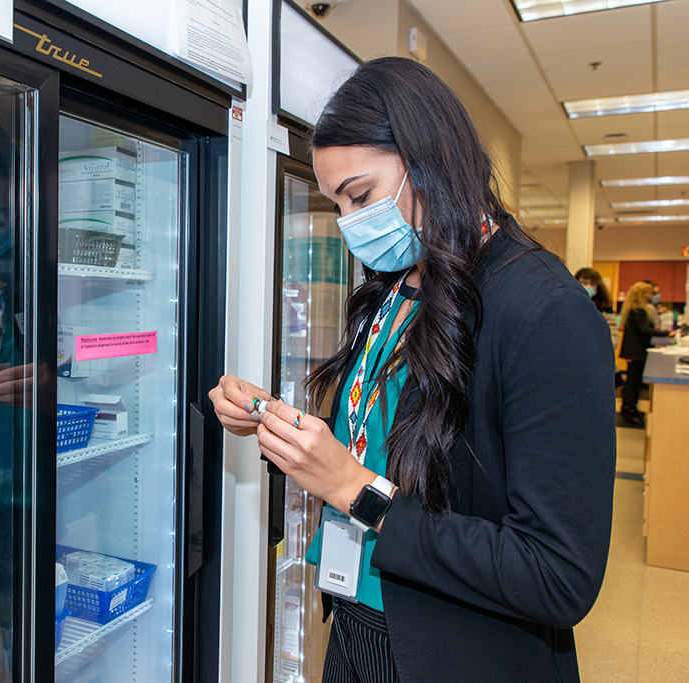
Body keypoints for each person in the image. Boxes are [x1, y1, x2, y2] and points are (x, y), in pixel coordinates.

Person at [209, 57, 615, 683]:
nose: (350, 225)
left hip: (454, 649)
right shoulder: (399, 287)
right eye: (337, 204)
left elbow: (557, 575)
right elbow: (386, 436)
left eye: (361, 196)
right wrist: (281, 429)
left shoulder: (544, 310)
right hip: (359, 621)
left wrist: (356, 493)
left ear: (434, 158)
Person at [619, 280, 675, 425]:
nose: (653, 295)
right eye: (651, 293)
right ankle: (630, 411)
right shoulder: (640, 310)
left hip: (633, 350)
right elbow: (644, 330)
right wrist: (665, 334)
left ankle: (630, 409)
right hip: (636, 351)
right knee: (633, 383)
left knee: (633, 382)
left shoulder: (634, 308)